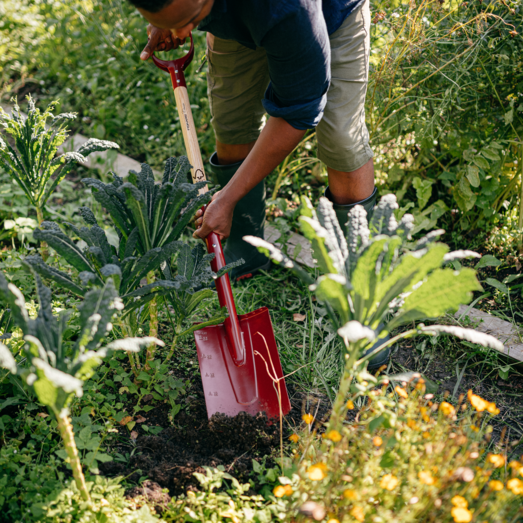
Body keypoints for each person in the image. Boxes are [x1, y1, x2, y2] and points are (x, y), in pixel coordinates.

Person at [129, 0, 388, 369]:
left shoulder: (287, 8)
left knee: (342, 141)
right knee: (232, 122)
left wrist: (227, 198)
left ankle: (360, 300)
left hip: (328, 17)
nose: (184, 34)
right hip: (234, 17)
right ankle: (244, 250)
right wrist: (167, 21)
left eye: (189, 22)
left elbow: (299, 111)